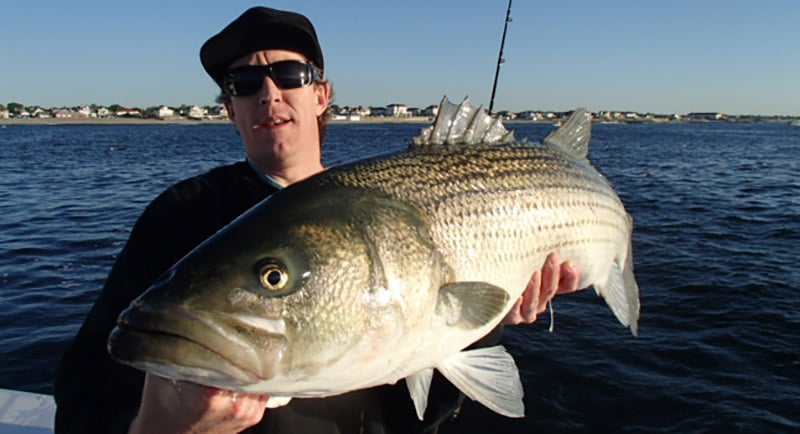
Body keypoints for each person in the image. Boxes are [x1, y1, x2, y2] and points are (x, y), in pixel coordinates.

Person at [53, 6, 580, 434]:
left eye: (288, 74)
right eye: (242, 83)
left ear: (321, 95)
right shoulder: (181, 215)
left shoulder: (384, 200)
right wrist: (154, 428)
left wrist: (484, 327)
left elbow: (416, 406)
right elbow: (88, 385)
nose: (268, 93)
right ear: (230, 110)